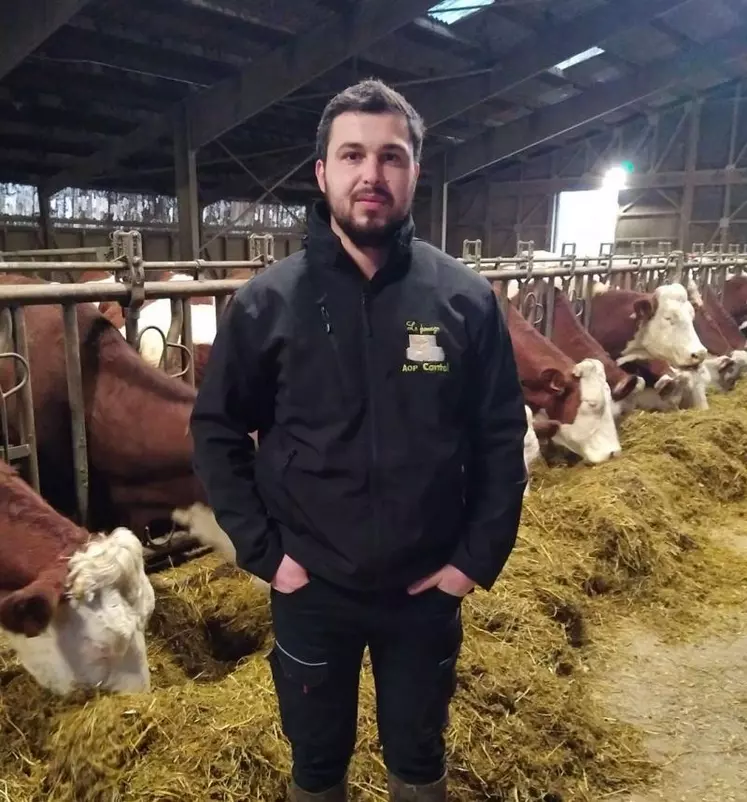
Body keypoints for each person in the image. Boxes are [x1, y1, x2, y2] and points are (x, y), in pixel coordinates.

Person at [190, 78, 528, 802]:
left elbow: (500, 436)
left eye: (391, 156)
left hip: (425, 588)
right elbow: (217, 429)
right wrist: (266, 554)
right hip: (311, 587)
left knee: (417, 754)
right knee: (315, 762)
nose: (370, 175)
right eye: (352, 156)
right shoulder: (265, 304)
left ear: (414, 171)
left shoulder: (462, 300)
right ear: (322, 173)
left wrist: (471, 562)